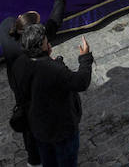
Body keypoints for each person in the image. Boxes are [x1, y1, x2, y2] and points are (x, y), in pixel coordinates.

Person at [0, 0, 68, 167]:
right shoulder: (33, 48)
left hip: (17, 83)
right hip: (33, 86)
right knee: (36, 120)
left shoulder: (6, 29)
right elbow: (54, 21)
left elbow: (18, 22)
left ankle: (34, 159)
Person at [10, 23, 93, 167]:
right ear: (41, 46)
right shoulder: (53, 70)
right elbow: (81, 82)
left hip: (39, 128)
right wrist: (85, 57)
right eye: (46, 42)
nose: (49, 45)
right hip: (62, 130)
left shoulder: (18, 64)